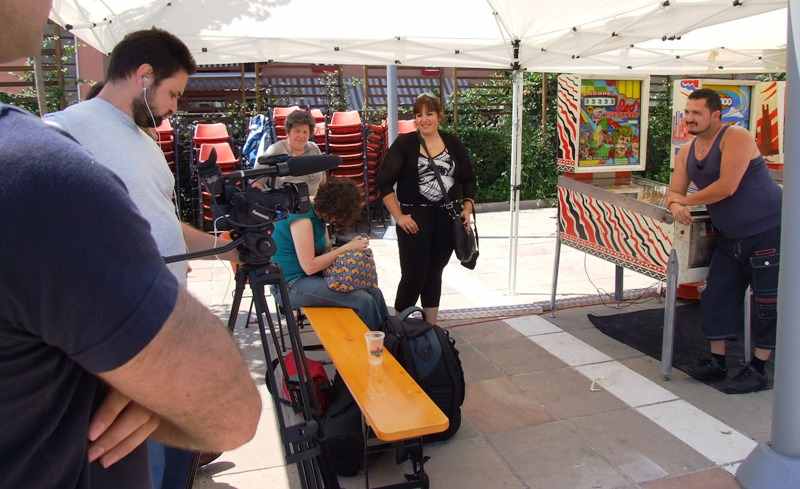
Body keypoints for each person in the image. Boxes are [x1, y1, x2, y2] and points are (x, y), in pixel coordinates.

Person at [0, 2, 261, 489]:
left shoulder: (143, 141)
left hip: (150, 338)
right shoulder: (60, 135)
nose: (174, 109)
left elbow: (157, 218)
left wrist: (219, 245)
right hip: (116, 358)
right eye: (173, 94)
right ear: (143, 76)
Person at [667, 88, 782, 394]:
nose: (689, 119)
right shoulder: (686, 151)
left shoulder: (737, 137)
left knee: (766, 301)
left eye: (696, 113)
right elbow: (673, 190)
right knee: (716, 294)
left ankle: (759, 369)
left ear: (716, 115)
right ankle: (717, 362)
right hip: (730, 235)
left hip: (767, 230)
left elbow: (726, 187)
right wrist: (676, 204)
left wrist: (685, 202)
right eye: (687, 113)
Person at [377, 93, 476, 325]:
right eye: (419, 114)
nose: (424, 119)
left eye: (429, 113)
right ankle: (400, 328)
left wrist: (468, 207)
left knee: (434, 273)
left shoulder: (452, 142)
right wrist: (399, 216)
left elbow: (468, 178)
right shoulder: (405, 143)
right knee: (413, 275)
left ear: (439, 116)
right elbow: (383, 182)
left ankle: (431, 327)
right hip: (414, 219)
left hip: (447, 218)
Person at [272, 178, 389, 329]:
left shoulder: (316, 211)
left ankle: (391, 335)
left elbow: (324, 251)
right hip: (291, 285)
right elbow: (310, 266)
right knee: (363, 300)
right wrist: (347, 248)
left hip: (308, 277)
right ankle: (380, 346)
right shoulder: (303, 219)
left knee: (373, 291)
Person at [253, 109, 326, 198]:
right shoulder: (275, 150)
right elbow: (256, 183)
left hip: (314, 205)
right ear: (288, 132)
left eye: (305, 132)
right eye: (297, 131)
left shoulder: (314, 149)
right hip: (287, 208)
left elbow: (323, 181)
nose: (301, 136)